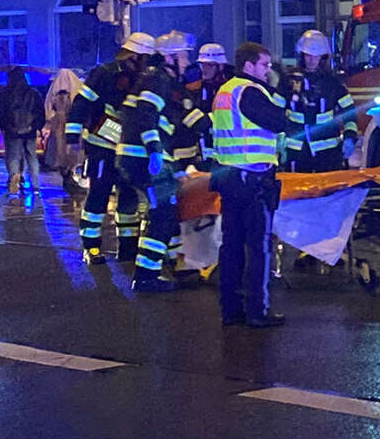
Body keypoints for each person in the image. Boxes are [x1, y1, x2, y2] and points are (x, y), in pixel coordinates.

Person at [210, 42, 289, 327]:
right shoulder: (251, 92)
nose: (268, 71)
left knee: (231, 247)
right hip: (253, 180)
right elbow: (279, 121)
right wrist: (282, 92)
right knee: (260, 248)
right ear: (249, 66)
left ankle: (230, 309)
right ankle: (258, 311)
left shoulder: (225, 90)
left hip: (229, 179)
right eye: (264, 65)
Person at [115, 31, 199, 292]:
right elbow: (145, 115)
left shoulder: (164, 82)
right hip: (143, 159)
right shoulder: (157, 80)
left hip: (142, 158)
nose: (187, 61)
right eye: (183, 56)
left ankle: (174, 266)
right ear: (170, 57)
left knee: (167, 212)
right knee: (163, 214)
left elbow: (184, 116)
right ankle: (146, 277)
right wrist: (153, 150)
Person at [66, 32, 154, 264]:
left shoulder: (142, 79)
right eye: (144, 59)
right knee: (98, 195)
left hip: (127, 150)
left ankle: (127, 247)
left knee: (128, 197)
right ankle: (91, 248)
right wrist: (72, 136)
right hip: (101, 148)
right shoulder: (104, 74)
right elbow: (82, 103)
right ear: (133, 56)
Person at [281, 30, 357, 173]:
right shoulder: (288, 81)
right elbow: (275, 112)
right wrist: (278, 141)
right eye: (308, 55)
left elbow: (350, 113)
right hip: (297, 151)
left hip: (328, 154)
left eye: (316, 57)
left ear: (322, 57)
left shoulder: (333, 82)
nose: (311, 60)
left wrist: (350, 137)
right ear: (302, 55)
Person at [0, 67, 45, 195]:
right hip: (30, 130)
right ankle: (36, 183)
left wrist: (5, 127)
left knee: (13, 157)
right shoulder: (33, 93)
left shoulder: (4, 93)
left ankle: (14, 176)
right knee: (31, 156)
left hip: (12, 131)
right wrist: (37, 126)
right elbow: (40, 112)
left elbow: (1, 112)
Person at [43, 68, 85, 193]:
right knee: (72, 151)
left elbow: (48, 109)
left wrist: (50, 121)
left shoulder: (54, 94)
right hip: (74, 125)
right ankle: (70, 173)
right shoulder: (77, 92)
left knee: (61, 151)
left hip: (59, 127)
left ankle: (66, 174)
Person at [192, 43, 232, 166]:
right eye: (202, 64)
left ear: (220, 66)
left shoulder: (231, 88)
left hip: (227, 151)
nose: (204, 69)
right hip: (204, 149)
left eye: (209, 65)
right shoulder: (197, 87)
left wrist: (206, 120)